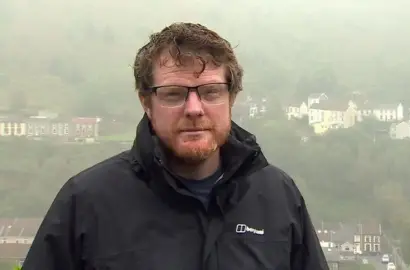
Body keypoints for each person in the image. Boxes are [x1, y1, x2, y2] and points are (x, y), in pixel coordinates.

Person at [22, 22, 329, 270]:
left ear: (231, 98)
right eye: (173, 94)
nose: (194, 108)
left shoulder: (279, 196)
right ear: (146, 103)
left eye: (210, 92)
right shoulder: (86, 202)